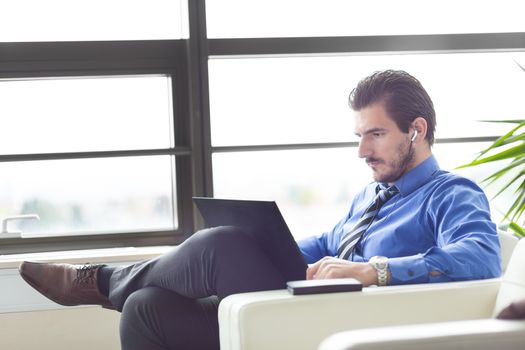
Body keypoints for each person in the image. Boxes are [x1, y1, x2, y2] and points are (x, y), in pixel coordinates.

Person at [19, 70, 501, 350]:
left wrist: (372, 271)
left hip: (344, 325)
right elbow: (327, 246)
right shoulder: (370, 195)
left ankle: (100, 281)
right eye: (359, 137)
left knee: (219, 245)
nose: (362, 151)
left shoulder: (452, 193)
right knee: (147, 310)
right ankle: (119, 287)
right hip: (300, 308)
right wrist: (268, 243)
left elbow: (479, 258)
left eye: (375, 135)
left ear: (416, 130)